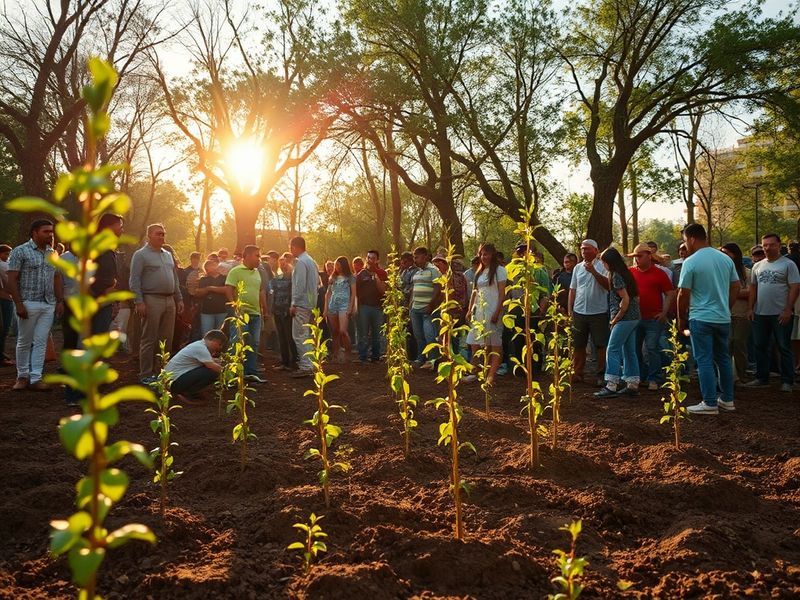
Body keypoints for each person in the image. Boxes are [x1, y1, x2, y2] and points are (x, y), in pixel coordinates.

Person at [677, 223, 739, 415]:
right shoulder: (725, 259)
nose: (685, 244)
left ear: (692, 239)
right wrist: (725, 307)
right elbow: (736, 286)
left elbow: (682, 294)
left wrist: (681, 320)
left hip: (701, 317)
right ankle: (727, 400)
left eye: (685, 240)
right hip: (722, 318)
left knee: (703, 360)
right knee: (723, 359)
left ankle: (710, 402)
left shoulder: (691, 261)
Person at [6, 219, 64, 391]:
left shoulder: (52, 254)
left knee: (40, 342)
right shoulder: (20, 251)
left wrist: (60, 300)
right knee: (24, 341)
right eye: (46, 231)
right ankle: (22, 376)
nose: (50, 235)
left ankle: (36, 377)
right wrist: (19, 304)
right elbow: (11, 279)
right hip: (28, 302)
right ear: (34, 232)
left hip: (48, 304)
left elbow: (56, 277)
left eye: (51, 232)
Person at [129, 223, 184, 384]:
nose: (162, 237)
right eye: (158, 234)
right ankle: (146, 374)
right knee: (149, 338)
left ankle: (162, 372)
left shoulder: (167, 254)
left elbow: (175, 278)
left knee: (167, 338)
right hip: (151, 299)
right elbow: (134, 279)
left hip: (169, 300)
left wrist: (179, 298)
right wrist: (139, 301)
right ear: (149, 236)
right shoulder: (140, 255)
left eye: (163, 234)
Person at [745, 233, 800, 392]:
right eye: (765, 245)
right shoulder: (757, 266)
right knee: (760, 345)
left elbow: (795, 287)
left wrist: (788, 309)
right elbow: (753, 288)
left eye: (771, 245)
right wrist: (750, 308)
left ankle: (788, 381)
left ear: (778, 245)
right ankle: (762, 378)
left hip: (781, 313)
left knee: (783, 346)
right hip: (760, 313)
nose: (768, 248)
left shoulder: (788, 265)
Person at [594, 247, 641, 398]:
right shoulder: (625, 273)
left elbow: (625, 299)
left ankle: (611, 384)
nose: (604, 265)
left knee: (612, 349)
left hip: (625, 318)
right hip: (634, 317)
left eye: (604, 262)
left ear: (609, 262)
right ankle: (632, 383)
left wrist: (616, 319)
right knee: (629, 350)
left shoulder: (615, 276)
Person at [628, 243, 675, 390]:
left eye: (639, 256)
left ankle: (654, 378)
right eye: (635, 257)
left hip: (653, 318)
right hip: (635, 318)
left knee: (652, 348)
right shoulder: (630, 272)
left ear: (649, 256)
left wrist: (664, 312)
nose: (636, 259)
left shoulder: (660, 273)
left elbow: (670, 293)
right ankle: (640, 376)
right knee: (635, 349)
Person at [568, 239, 610, 386]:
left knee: (600, 344)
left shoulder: (603, 266)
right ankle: (577, 373)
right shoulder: (577, 268)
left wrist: (594, 272)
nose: (584, 251)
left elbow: (609, 286)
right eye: (582, 249)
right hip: (579, 311)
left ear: (596, 250)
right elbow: (573, 289)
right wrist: (570, 309)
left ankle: (601, 374)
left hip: (598, 311)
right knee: (578, 344)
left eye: (587, 249)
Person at [464, 243, 507, 384]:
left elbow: (502, 293)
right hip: (479, 311)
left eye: (487, 254)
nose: (484, 257)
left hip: (493, 310)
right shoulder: (480, 272)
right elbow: (475, 293)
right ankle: (477, 371)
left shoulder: (499, 271)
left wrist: (497, 312)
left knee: (494, 343)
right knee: (476, 342)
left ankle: (491, 376)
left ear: (493, 255)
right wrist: (470, 309)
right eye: (482, 254)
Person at [225, 245, 268, 384]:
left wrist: (264, 309)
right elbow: (228, 289)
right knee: (237, 342)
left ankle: (251, 373)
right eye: (257, 255)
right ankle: (232, 376)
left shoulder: (257, 272)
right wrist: (234, 306)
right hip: (241, 314)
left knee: (254, 343)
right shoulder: (235, 271)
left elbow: (261, 291)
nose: (259, 259)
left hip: (255, 313)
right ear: (247, 256)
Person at [165, 329, 227, 403]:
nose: (219, 348)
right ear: (214, 340)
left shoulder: (199, 345)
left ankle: (191, 391)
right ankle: (187, 393)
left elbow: (207, 361)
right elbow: (211, 366)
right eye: (219, 344)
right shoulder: (201, 348)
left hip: (172, 380)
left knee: (210, 369)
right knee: (212, 372)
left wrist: (215, 361)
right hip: (174, 383)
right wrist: (228, 373)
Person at [720, 243, 751, 385]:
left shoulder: (747, 273)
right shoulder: (720, 272)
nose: (723, 255)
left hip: (742, 314)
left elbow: (751, 292)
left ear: (735, 254)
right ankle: (727, 378)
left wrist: (731, 292)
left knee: (739, 343)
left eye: (726, 253)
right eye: (722, 252)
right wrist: (737, 292)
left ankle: (742, 376)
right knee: (726, 345)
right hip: (724, 314)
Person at [290, 236, 319, 378]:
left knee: (299, 335)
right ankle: (311, 363)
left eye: (291, 247)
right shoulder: (311, 261)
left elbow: (299, 285)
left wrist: (294, 303)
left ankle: (306, 366)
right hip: (310, 303)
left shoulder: (301, 262)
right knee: (306, 334)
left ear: (295, 247)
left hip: (301, 304)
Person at [409, 246, 442, 369]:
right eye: (414, 257)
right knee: (419, 335)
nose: (415, 260)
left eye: (417, 257)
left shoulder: (433, 270)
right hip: (415, 308)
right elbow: (414, 290)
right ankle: (420, 358)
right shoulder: (417, 272)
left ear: (425, 256)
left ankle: (433, 360)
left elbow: (438, 288)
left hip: (427, 309)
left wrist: (431, 304)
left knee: (430, 335)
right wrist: (410, 305)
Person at [355, 249, 388, 363]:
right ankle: (362, 357)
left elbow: (384, 291)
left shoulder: (382, 273)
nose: (370, 260)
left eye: (373, 258)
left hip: (378, 307)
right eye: (368, 258)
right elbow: (355, 292)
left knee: (377, 334)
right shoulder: (360, 274)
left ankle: (375, 356)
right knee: (363, 333)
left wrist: (377, 279)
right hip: (364, 307)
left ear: (377, 260)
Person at [324, 256, 356, 363]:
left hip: (344, 306)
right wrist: (326, 308)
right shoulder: (333, 277)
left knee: (343, 331)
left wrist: (350, 308)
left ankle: (348, 353)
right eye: (335, 265)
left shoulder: (350, 277)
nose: (336, 267)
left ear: (343, 265)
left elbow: (353, 294)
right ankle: (336, 354)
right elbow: (328, 293)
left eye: (338, 265)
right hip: (333, 305)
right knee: (335, 332)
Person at [270, 252, 297, 370]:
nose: (283, 265)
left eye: (285, 263)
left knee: (290, 336)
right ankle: (284, 362)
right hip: (277, 310)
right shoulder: (276, 278)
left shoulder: (293, 278)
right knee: (281, 336)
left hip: (288, 311)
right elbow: (273, 294)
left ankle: (294, 362)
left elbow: (294, 294)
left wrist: (291, 307)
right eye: (281, 263)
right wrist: (273, 308)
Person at [195, 260, 228, 335]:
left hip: (222, 311)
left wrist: (210, 288)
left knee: (220, 334)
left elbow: (226, 290)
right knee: (206, 335)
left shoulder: (224, 278)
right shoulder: (203, 279)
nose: (207, 270)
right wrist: (207, 289)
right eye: (205, 268)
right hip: (207, 312)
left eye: (208, 267)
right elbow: (198, 293)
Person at [0, 243, 15, 365]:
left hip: (6, 297)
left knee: (4, 329)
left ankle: (2, 352)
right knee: (4, 328)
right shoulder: (3, 265)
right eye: (6, 254)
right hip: (5, 298)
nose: (8, 256)